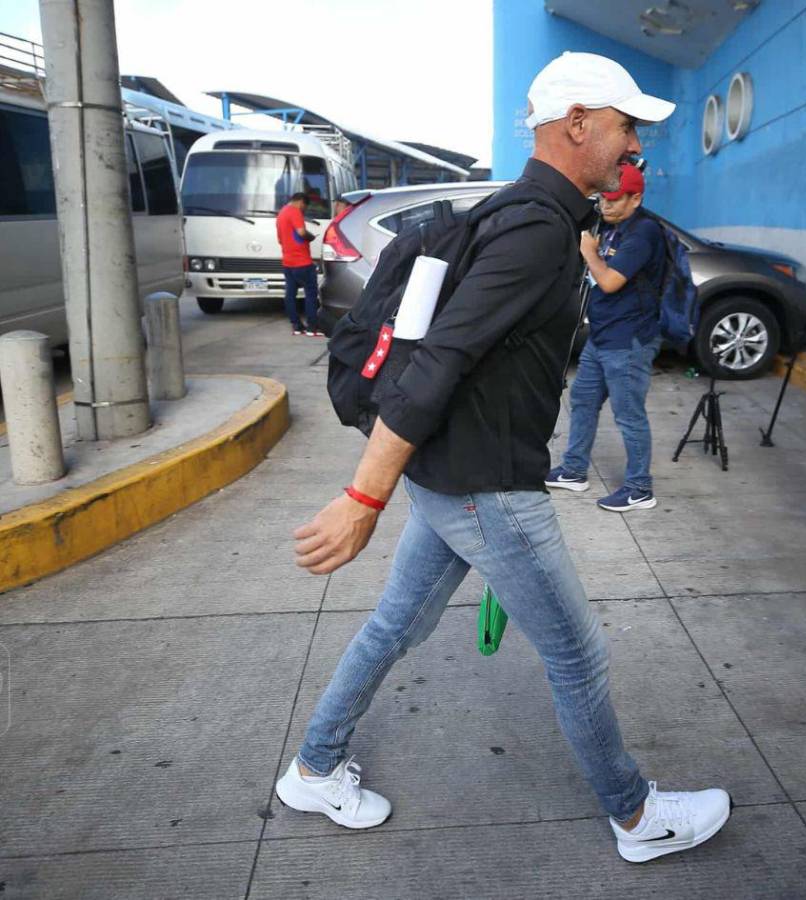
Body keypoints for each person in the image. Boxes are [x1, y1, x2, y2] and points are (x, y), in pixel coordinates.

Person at [274, 51, 731, 864]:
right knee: (577, 654)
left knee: (394, 626)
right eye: (624, 127)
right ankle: (636, 818)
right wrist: (364, 497)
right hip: (485, 486)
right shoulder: (532, 229)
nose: (632, 148)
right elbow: (439, 360)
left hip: (456, 477)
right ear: (577, 123)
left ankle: (314, 764)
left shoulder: (535, 215)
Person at [546, 161, 665, 511]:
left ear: (636, 198)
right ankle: (573, 470)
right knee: (582, 401)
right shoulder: (612, 226)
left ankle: (640, 488)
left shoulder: (644, 233)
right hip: (602, 335)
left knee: (629, 415)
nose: (606, 205)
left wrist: (589, 253)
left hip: (628, 341)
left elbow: (611, 281)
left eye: (615, 200)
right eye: (603, 199)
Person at [275, 192, 321, 336]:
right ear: (301, 202)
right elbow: (301, 232)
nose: (303, 211)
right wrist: (311, 237)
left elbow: (280, 239)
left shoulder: (281, 213)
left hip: (287, 262)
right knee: (311, 294)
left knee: (290, 295)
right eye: (304, 207)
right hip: (302, 262)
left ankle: (296, 325)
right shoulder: (295, 212)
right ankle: (312, 326)